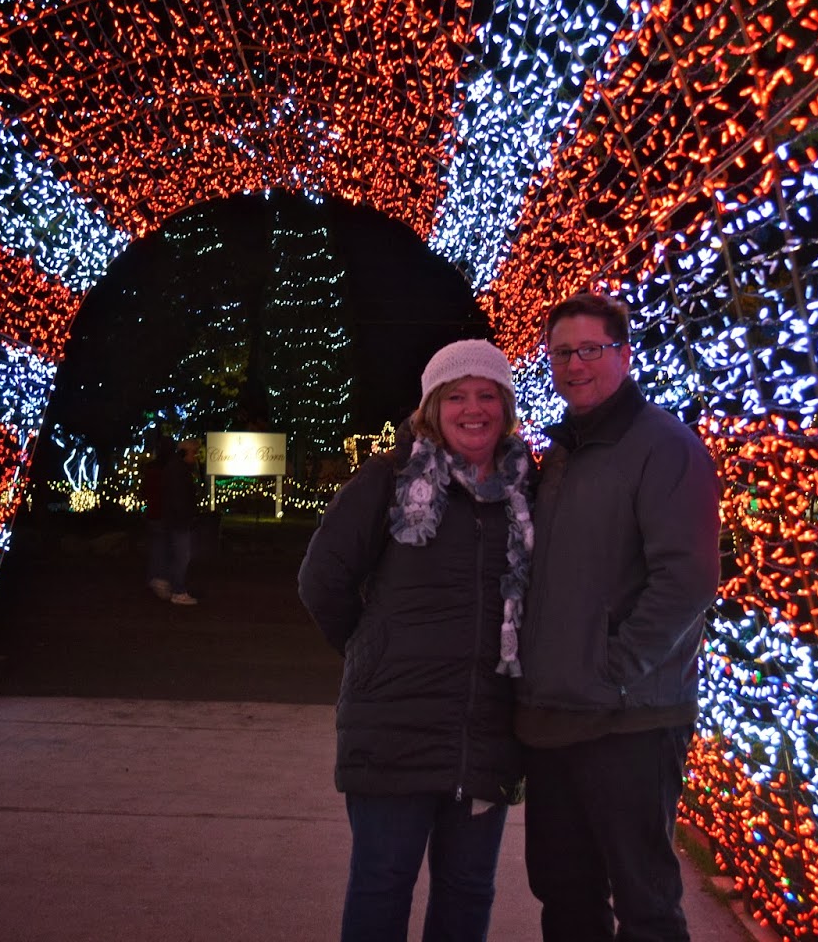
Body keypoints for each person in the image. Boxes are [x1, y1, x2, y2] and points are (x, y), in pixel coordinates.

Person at [299, 339, 534, 942]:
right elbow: (322, 580)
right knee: (382, 883)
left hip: (486, 730)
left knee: (467, 892)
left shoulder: (525, 493)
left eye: (488, 395)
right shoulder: (387, 480)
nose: (472, 408)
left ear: (506, 406)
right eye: (456, 396)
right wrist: (372, 651)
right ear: (431, 407)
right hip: (393, 730)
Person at [515, 294, 721, 942]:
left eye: (590, 350)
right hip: (554, 717)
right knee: (565, 892)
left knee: (644, 902)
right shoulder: (564, 455)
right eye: (561, 352)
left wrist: (612, 670)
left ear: (625, 355)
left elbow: (686, 579)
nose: (574, 365)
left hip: (628, 719)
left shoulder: (662, 446)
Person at [145, 434, 199, 605]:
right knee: (181, 555)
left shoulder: (165, 468)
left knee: (163, 550)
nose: (195, 457)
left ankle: (162, 581)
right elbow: (179, 497)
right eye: (194, 453)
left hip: (163, 516)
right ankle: (177, 589)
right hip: (177, 520)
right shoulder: (178, 470)